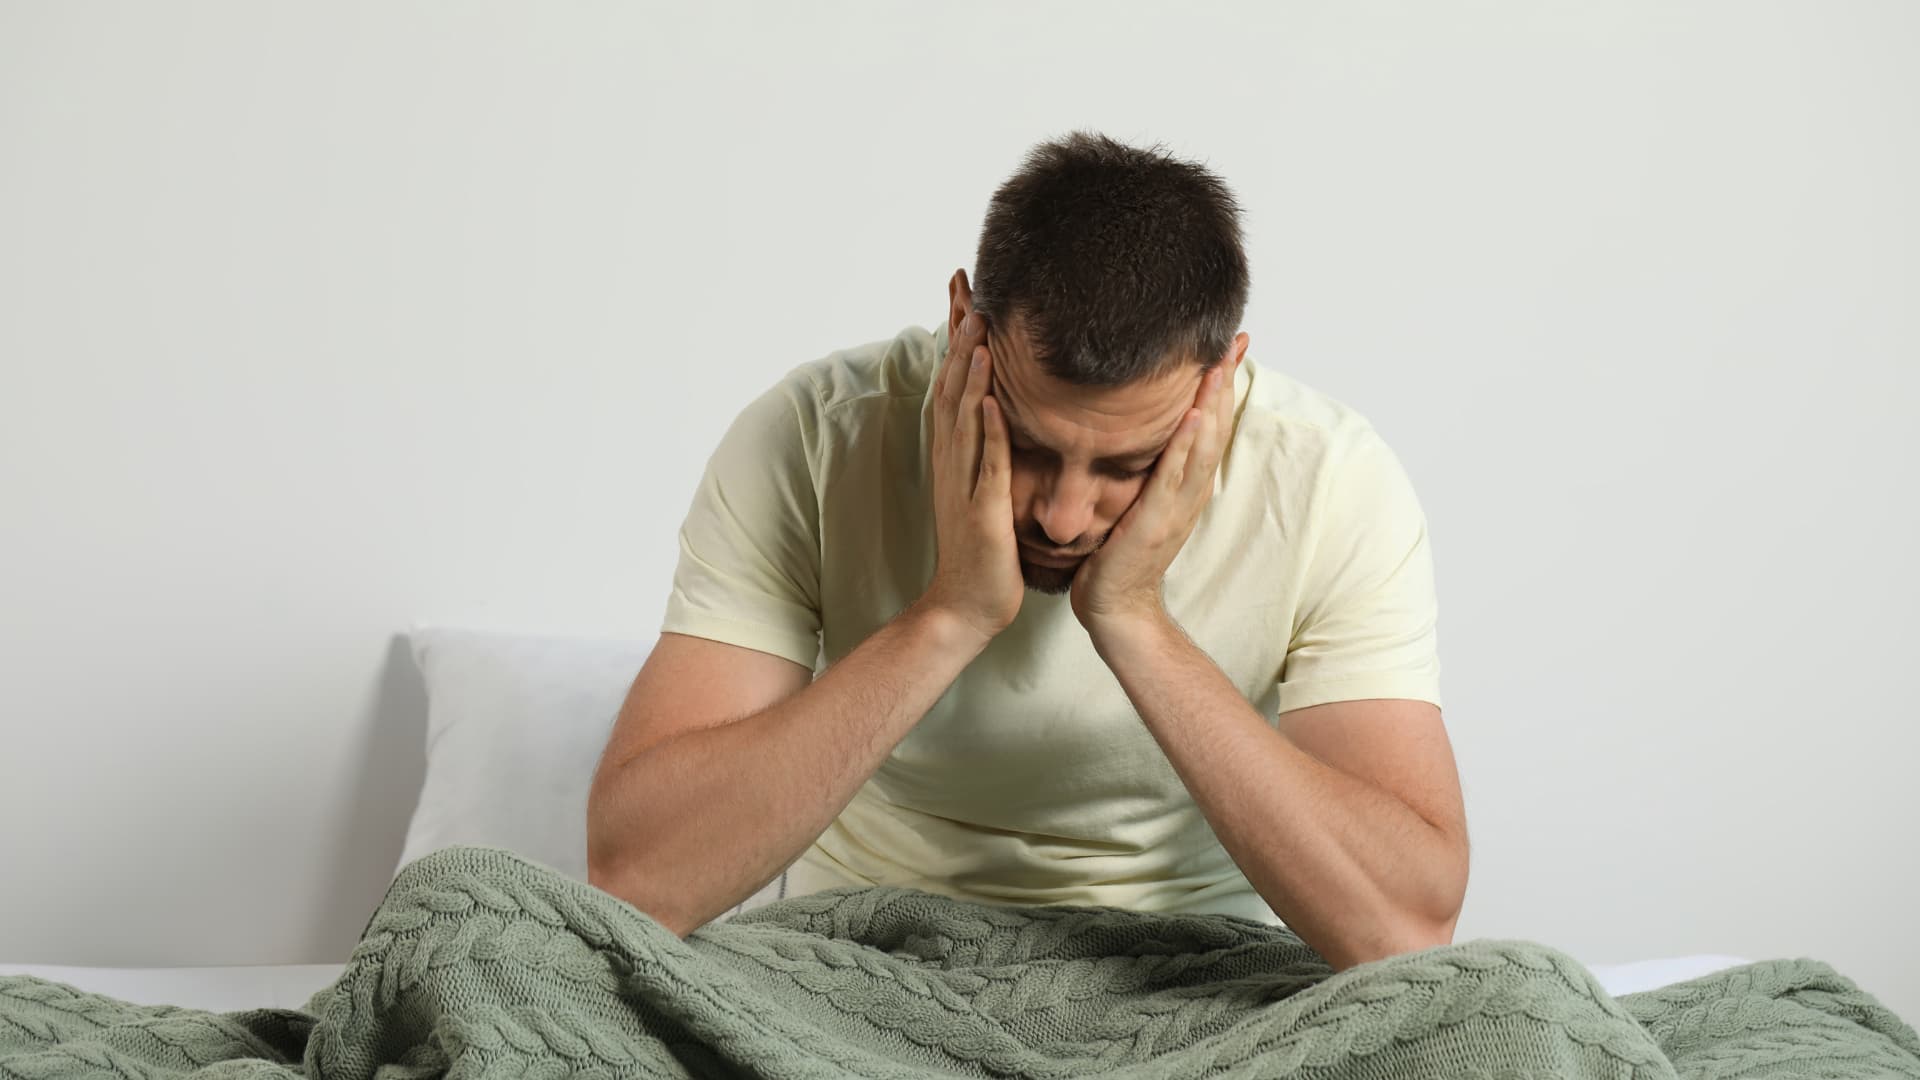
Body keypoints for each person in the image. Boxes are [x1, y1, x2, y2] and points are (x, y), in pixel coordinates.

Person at [587, 130, 1468, 972]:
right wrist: (951, 613)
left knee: (1525, 1008)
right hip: (857, 967)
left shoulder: (1329, 482)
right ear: (964, 325)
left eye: (1130, 465)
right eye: (1030, 446)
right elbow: (637, 878)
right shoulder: (812, 436)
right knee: (474, 926)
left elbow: (1406, 928)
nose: (1063, 516)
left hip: (1198, 985)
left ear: (1221, 381)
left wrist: (1133, 621)